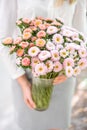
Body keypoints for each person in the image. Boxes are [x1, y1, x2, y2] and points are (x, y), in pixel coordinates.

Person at [0, 0, 86, 130]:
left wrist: (69, 71)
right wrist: (23, 83)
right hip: (25, 75)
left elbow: (81, 39)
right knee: (30, 126)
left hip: (61, 77)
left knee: (57, 126)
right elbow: (3, 37)